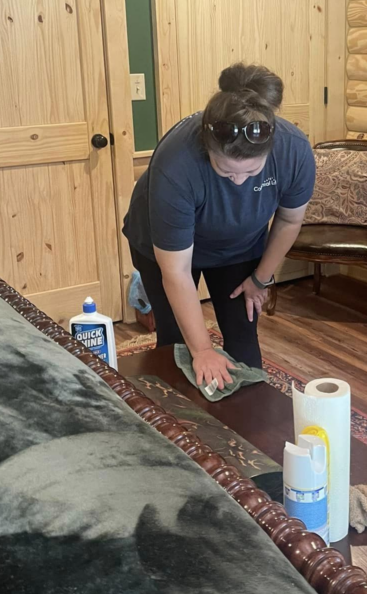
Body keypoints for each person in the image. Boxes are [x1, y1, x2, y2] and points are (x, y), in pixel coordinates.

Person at [123, 63, 315, 391]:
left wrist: (260, 278)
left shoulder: (294, 150)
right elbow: (177, 273)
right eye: (226, 173)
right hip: (166, 253)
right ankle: (176, 430)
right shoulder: (177, 164)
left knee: (243, 340)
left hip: (239, 245)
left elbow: (289, 219)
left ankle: (245, 433)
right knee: (178, 344)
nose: (238, 181)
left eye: (251, 172)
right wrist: (202, 350)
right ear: (206, 147)